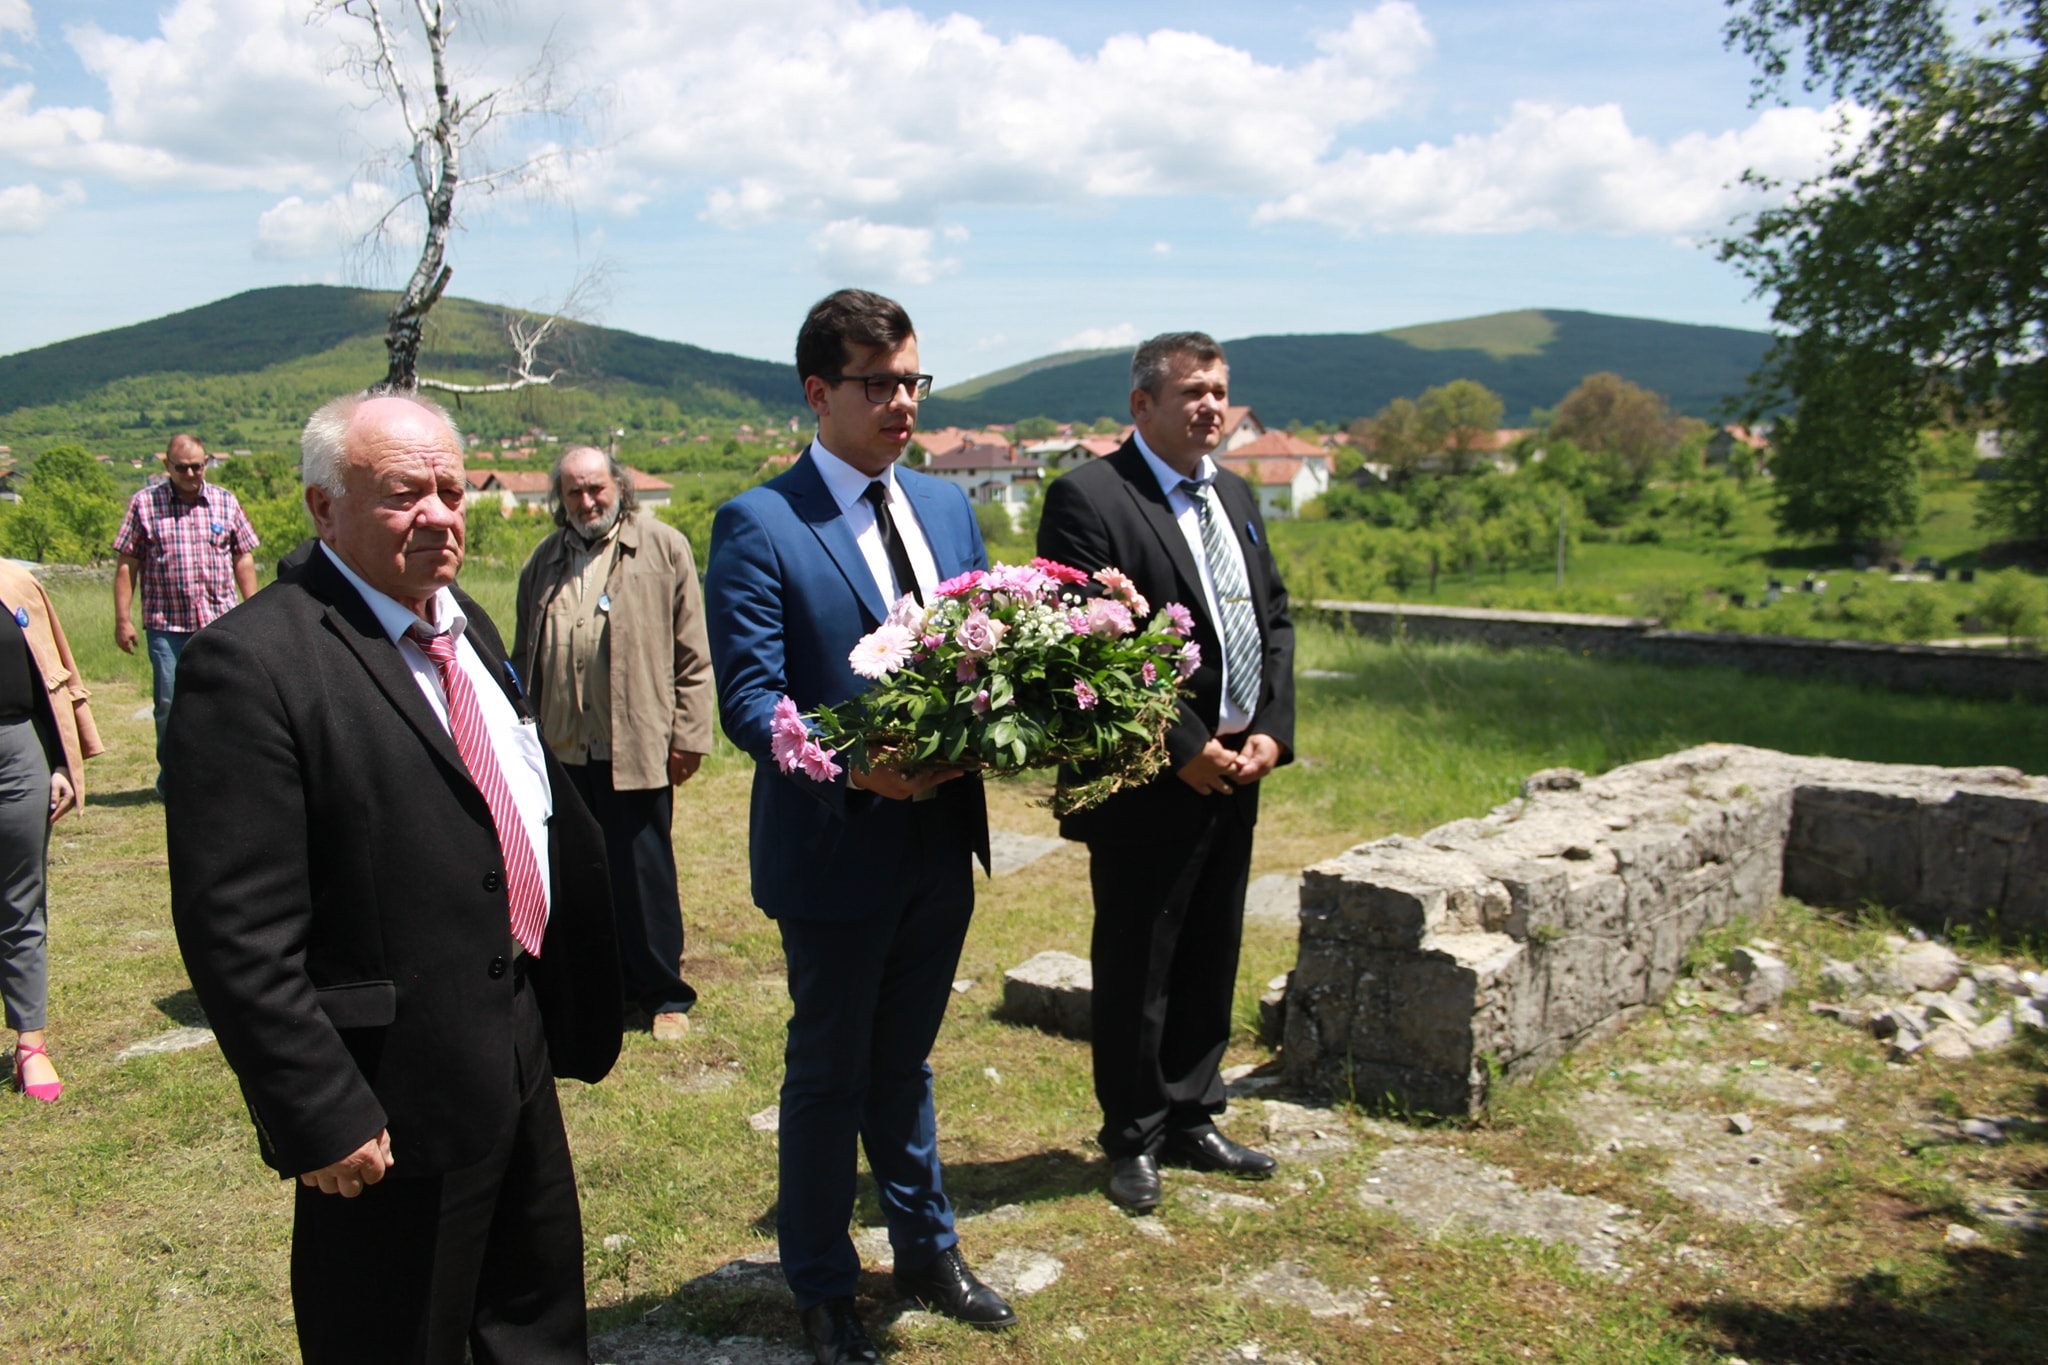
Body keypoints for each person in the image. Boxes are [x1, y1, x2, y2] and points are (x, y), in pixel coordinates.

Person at [164, 393, 623, 1364]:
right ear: (323, 508)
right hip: (385, 1097)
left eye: (451, 491)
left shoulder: (464, 623)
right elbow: (236, 930)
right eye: (404, 493)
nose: (439, 515)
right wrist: (318, 1108)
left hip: (512, 1037)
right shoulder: (251, 665)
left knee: (535, 1321)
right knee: (396, 1337)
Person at [705, 289, 1013, 1365]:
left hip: (941, 838)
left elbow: (987, 645)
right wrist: (851, 767)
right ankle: (824, 1287)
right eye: (877, 384)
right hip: (835, 843)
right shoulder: (760, 522)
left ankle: (926, 1253)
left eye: (912, 380)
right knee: (830, 1071)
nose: (902, 403)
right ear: (818, 392)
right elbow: (750, 699)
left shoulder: (946, 508)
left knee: (906, 1060)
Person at [1035, 330, 1296, 1213]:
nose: (1211, 406)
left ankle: (1192, 1111)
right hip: (1147, 776)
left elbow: (1274, 617)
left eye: (1219, 389)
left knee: (1213, 946)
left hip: (1239, 764)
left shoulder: (1235, 492)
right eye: (1192, 391)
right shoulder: (1090, 496)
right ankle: (1134, 1133)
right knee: (1139, 958)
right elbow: (1090, 643)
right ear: (1142, 404)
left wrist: (1272, 730)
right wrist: (1184, 746)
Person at [514, 445, 713, 1042]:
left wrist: (689, 735)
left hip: (636, 742)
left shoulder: (663, 547)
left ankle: (664, 995)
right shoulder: (544, 560)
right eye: (574, 491)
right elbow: (523, 656)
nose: (587, 501)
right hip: (562, 752)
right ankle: (605, 992)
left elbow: (693, 652)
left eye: (596, 488)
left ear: (619, 487)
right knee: (579, 878)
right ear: (560, 498)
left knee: (642, 876)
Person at [0, 559, 103, 1103]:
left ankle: (30, 1044)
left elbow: (47, 676)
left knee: (21, 897)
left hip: (16, 751)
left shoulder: (15, 584)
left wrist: (62, 762)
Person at [112, 433, 260, 788]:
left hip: (220, 622)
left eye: (197, 466)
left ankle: (223, 777)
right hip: (166, 625)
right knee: (168, 704)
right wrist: (122, 619)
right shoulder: (144, 504)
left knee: (227, 699)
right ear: (167, 465)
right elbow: (127, 565)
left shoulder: (225, 502)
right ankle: (175, 780)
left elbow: (243, 557)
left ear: (206, 462)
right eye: (182, 468)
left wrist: (255, 611)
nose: (191, 474)